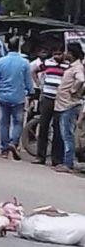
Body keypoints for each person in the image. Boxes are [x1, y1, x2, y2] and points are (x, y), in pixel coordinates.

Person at [0, 37, 32, 160]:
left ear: (8, 47)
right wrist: (30, 92)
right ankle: (13, 143)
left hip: (3, 96)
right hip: (19, 97)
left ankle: (4, 150)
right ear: (19, 47)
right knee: (18, 122)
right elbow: (28, 82)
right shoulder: (25, 63)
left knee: (4, 123)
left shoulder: (1, 62)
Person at [31, 46, 67, 166]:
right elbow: (34, 71)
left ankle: (56, 159)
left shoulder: (68, 66)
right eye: (55, 54)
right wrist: (39, 84)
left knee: (58, 130)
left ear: (64, 54)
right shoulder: (47, 63)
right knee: (43, 127)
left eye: (59, 54)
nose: (57, 56)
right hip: (47, 98)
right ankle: (40, 156)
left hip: (60, 100)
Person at [53, 43, 85, 173]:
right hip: (64, 104)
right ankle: (66, 161)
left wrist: (73, 90)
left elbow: (81, 80)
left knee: (67, 135)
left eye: (67, 52)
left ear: (71, 53)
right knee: (65, 134)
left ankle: (68, 163)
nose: (65, 54)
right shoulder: (72, 67)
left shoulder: (77, 67)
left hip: (69, 105)